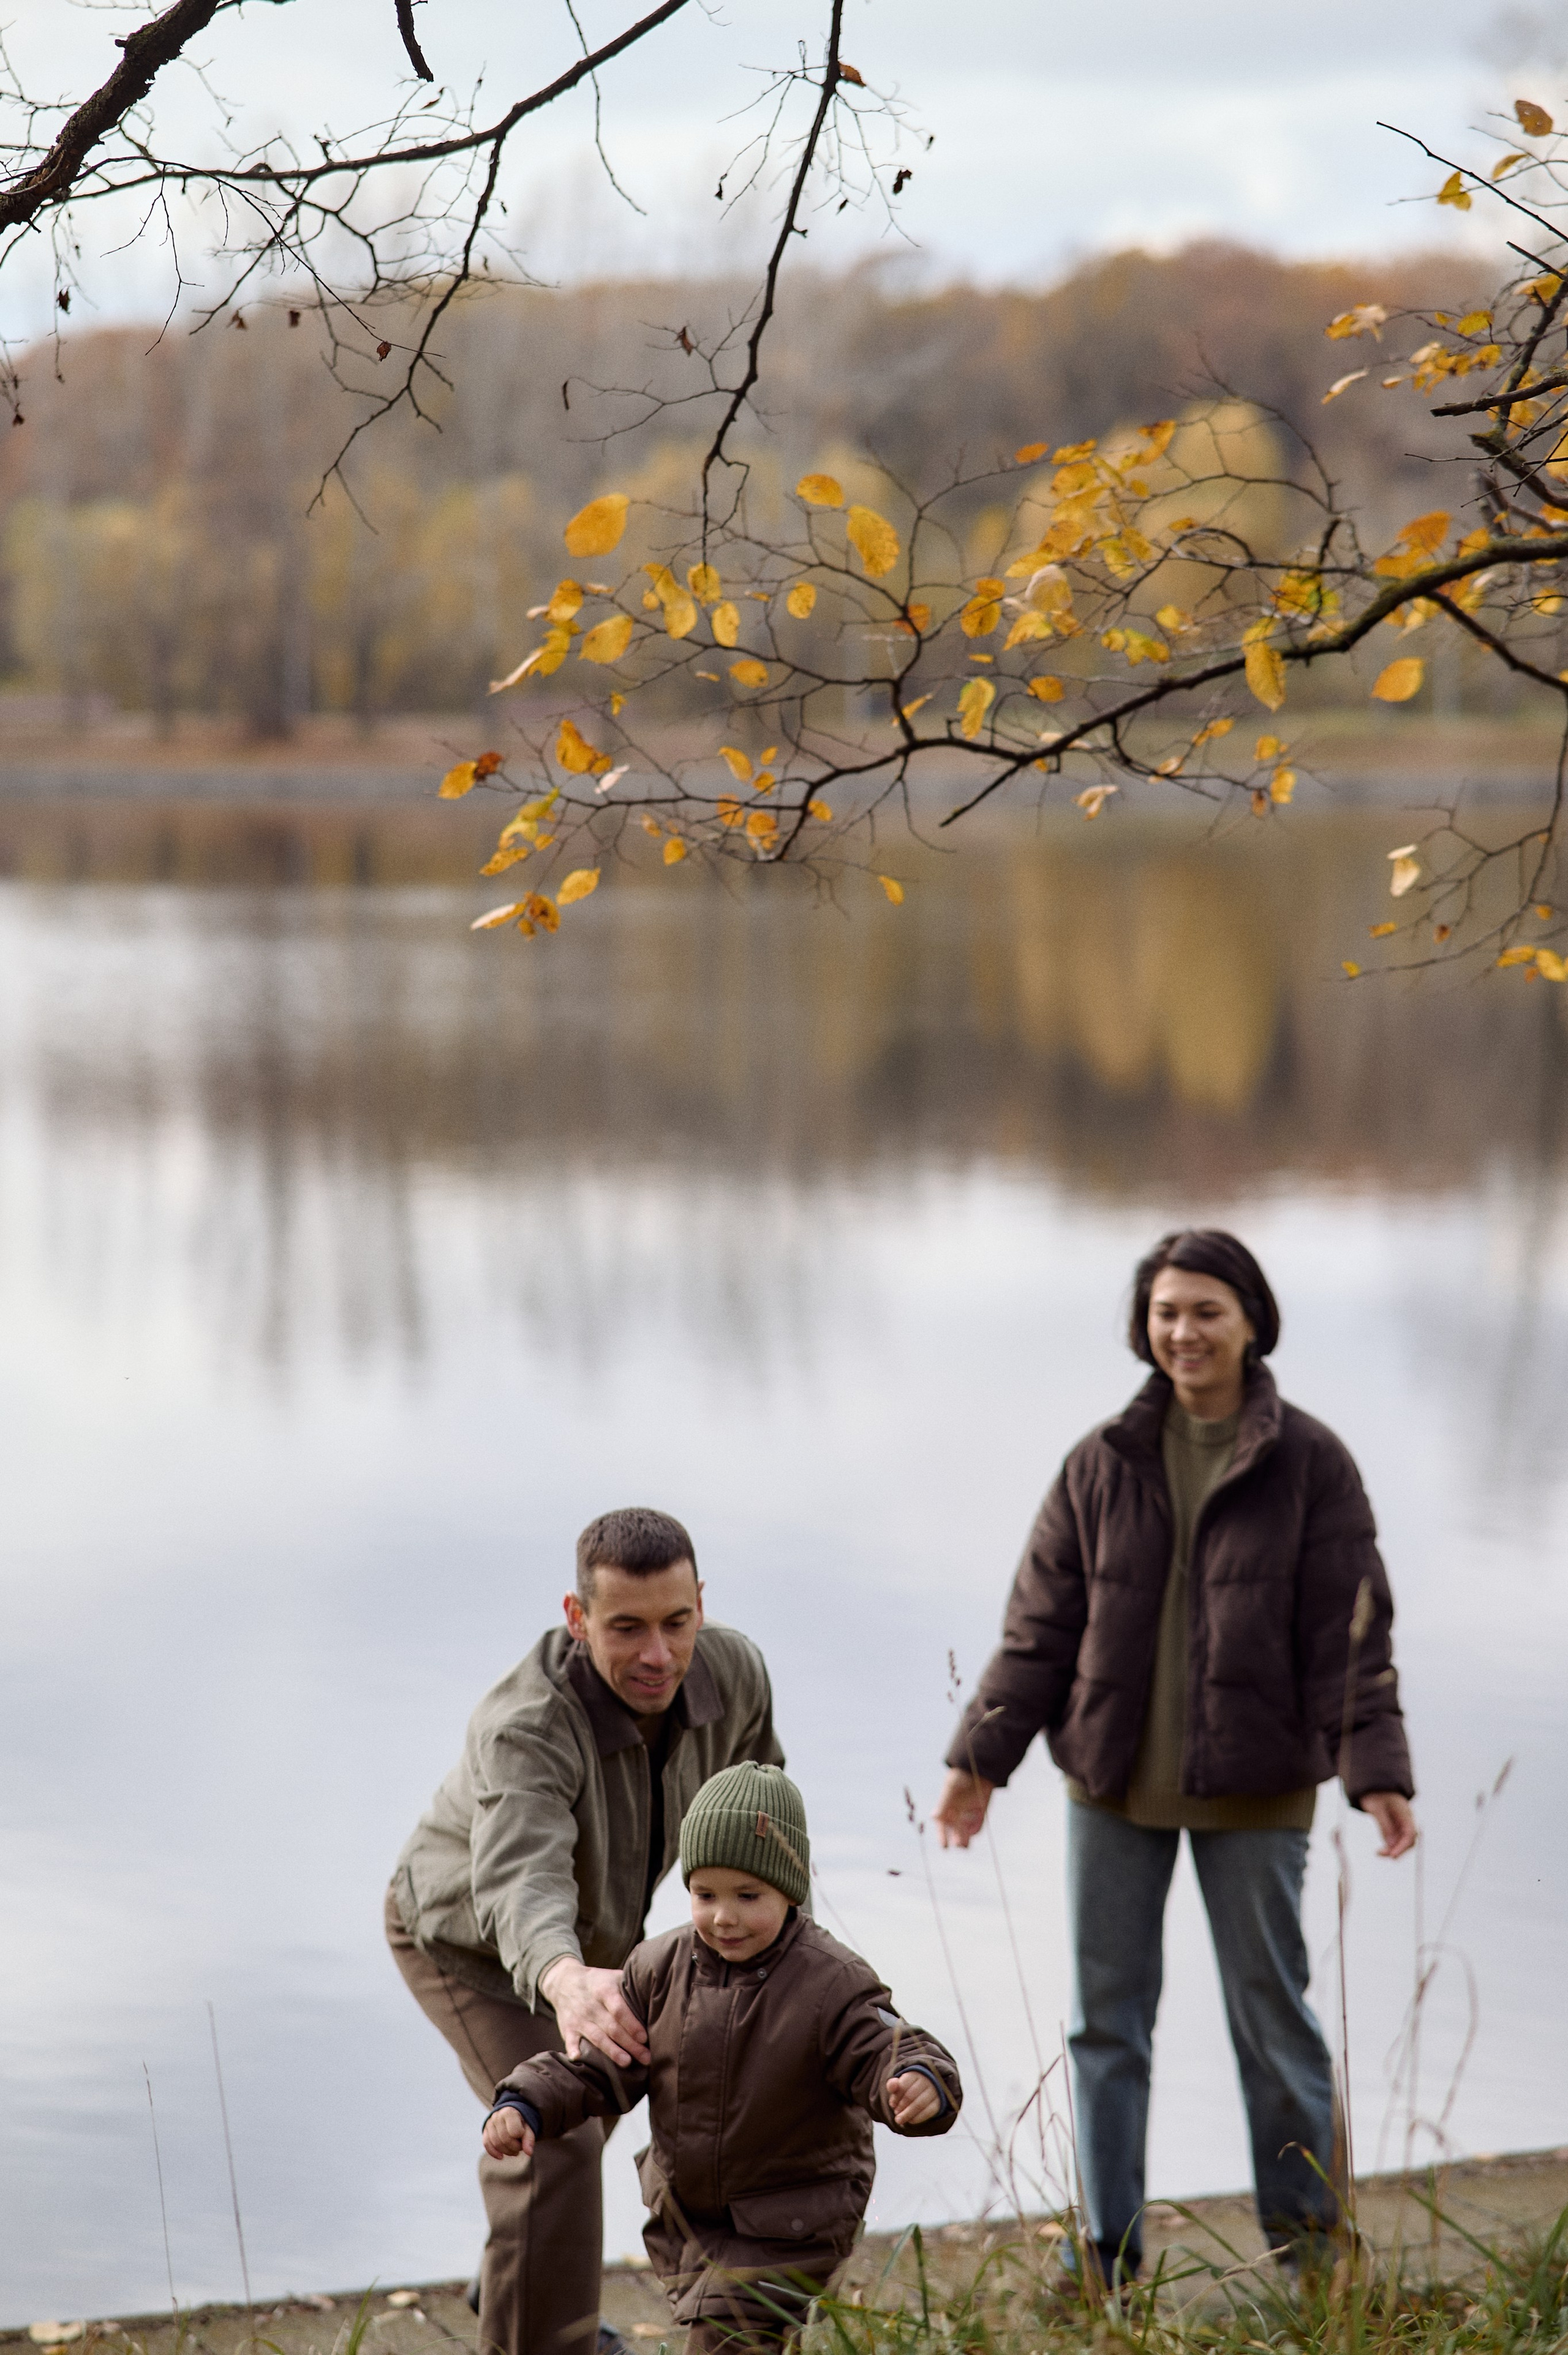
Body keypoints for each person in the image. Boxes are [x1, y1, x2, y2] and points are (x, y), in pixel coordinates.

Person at [933, 1230, 1417, 2287]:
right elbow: (1039, 1626)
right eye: (1166, 1311)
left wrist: (1375, 1766)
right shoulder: (1102, 1460)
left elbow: (1353, 1630)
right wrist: (981, 1759)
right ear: (1143, 1326)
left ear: (1252, 1320)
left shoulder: (1311, 1462)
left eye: (1206, 1309)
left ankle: (1315, 2254)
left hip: (1258, 1787)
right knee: (1106, 2023)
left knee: (1273, 2018)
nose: (1184, 1330)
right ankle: (1105, 2251)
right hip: (1111, 1784)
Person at [387, 1507, 787, 2355]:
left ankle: (521, 2284)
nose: (658, 1655)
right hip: (471, 1944)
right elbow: (519, 1881)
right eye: (627, 1628)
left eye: (677, 1623)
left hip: (600, 1940)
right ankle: (542, 2339)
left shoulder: (735, 1676)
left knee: (591, 2118)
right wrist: (567, 1981)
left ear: (701, 1605)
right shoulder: (527, 1725)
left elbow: (765, 1832)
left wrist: (790, 1979)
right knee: (553, 2133)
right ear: (578, 1620)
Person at [482, 1762, 963, 2355]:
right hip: (690, 2217)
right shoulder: (659, 1968)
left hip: (793, 2221)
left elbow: (885, 2044)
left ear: (789, 1889)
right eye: (704, 1894)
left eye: (747, 1895)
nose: (722, 1916)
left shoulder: (829, 1980)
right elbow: (601, 2064)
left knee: (725, 2341)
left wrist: (918, 2080)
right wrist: (526, 2099)